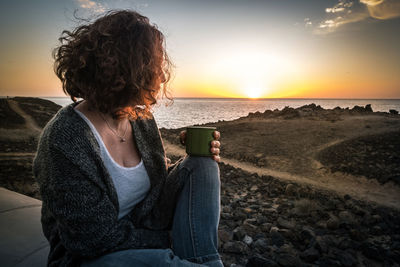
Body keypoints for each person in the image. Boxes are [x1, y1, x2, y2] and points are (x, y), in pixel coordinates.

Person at [33, 10, 223, 267]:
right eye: (154, 66)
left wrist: (187, 158)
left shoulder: (140, 118)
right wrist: (163, 240)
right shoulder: (64, 140)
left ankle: (204, 261)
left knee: (203, 164)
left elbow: (152, 186)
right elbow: (91, 240)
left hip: (146, 227)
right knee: (165, 262)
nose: (160, 76)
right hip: (90, 256)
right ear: (126, 72)